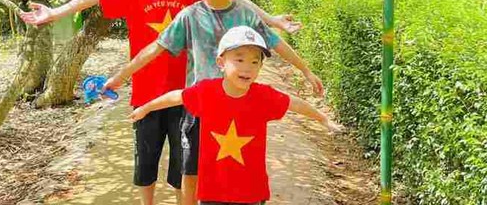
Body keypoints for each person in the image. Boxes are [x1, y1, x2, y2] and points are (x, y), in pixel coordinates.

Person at [19, 0, 298, 205]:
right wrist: (55, 12)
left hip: (188, 94)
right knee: (146, 159)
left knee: (185, 162)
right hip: (146, 89)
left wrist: (272, 20)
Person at [103, 0, 325, 205]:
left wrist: (306, 71)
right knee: (190, 169)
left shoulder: (245, 14)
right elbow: (155, 49)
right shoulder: (190, 15)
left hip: (237, 104)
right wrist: (119, 77)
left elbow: (275, 43)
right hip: (200, 106)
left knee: (236, 166)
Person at [129, 25, 341, 205]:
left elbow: (294, 104)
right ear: (221, 62)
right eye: (239, 59)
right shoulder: (206, 92)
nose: (247, 68)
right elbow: (177, 97)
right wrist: (146, 108)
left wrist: (323, 119)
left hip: (251, 192)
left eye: (255, 61)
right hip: (213, 190)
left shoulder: (264, 97)